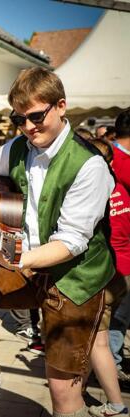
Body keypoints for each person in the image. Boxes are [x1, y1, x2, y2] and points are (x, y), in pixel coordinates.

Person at [0, 67, 117, 417]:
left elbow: (71, 242)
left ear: (61, 106)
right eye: (19, 119)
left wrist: (18, 261)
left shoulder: (89, 165)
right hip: (24, 257)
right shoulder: (16, 147)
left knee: (62, 391)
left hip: (74, 278)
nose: (28, 127)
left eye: (36, 116)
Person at [84, 138, 129, 417]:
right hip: (123, 272)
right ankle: (80, 387)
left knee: (99, 342)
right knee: (98, 338)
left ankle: (117, 406)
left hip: (106, 275)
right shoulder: (121, 188)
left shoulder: (94, 192)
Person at [109, 109, 130, 385]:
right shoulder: (120, 160)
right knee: (119, 315)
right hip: (119, 254)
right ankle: (111, 366)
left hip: (118, 251)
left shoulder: (110, 156)